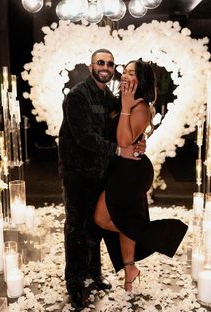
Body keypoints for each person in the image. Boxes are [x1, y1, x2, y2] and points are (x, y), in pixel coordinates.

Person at [58, 49, 146, 310]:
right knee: (76, 227)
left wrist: (138, 141)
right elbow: (84, 137)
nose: (105, 67)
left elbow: (120, 128)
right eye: (100, 63)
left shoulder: (109, 96)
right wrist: (119, 150)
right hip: (77, 172)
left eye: (109, 64)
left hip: (101, 172)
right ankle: (74, 284)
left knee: (94, 228)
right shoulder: (76, 96)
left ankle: (94, 275)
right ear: (91, 65)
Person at [94, 60, 188, 293]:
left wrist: (127, 107)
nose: (125, 75)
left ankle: (166, 234)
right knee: (126, 219)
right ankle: (130, 271)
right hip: (122, 167)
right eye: (124, 71)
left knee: (102, 218)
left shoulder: (141, 106)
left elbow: (125, 141)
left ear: (142, 79)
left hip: (132, 172)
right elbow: (120, 137)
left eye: (131, 73)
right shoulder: (121, 101)